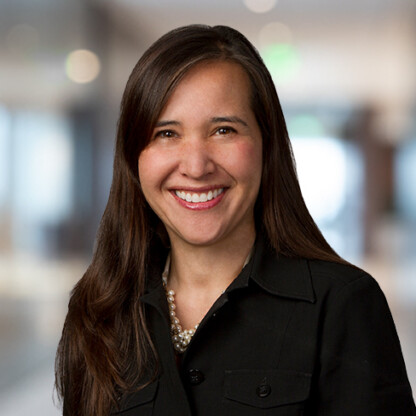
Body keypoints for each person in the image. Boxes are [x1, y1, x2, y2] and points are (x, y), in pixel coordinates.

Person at [55, 24, 416, 416]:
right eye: (166, 133)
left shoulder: (342, 305)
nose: (195, 166)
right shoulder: (97, 312)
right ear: (133, 157)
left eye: (224, 130)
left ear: (267, 144)